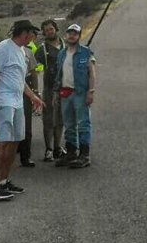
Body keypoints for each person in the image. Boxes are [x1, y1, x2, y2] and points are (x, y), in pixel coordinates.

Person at [0, 20, 45, 201]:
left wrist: (33, 97)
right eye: (32, 33)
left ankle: (4, 181)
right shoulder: (4, 48)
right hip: (4, 102)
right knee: (2, 141)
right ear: (24, 33)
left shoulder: (22, 51)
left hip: (17, 102)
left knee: (16, 139)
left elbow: (20, 80)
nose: (33, 37)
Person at [54, 23, 96, 168]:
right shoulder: (62, 54)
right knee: (69, 125)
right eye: (70, 33)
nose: (72, 36)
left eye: (75, 33)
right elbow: (59, 75)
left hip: (80, 93)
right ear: (66, 35)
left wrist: (91, 91)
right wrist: (56, 93)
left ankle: (84, 155)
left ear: (79, 36)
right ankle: (71, 152)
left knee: (83, 124)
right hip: (65, 93)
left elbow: (92, 73)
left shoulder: (86, 52)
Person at [34, 19, 65, 162]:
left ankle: (58, 147)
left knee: (60, 119)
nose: (49, 32)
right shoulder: (42, 50)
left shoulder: (66, 45)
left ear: (56, 29)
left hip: (65, 88)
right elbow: (33, 68)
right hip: (49, 88)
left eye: (51, 29)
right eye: (46, 31)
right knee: (48, 120)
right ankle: (49, 150)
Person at [17, 40, 39, 168]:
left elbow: (33, 73)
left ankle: (26, 156)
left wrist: (35, 92)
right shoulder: (7, 51)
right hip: (11, 90)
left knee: (26, 126)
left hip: (26, 90)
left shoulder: (28, 52)